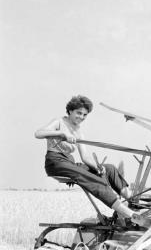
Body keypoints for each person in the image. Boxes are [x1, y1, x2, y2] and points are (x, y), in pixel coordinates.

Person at [35, 95, 143, 224]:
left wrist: (98, 167)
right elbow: (38, 133)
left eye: (84, 115)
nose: (81, 117)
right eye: (78, 113)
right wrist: (61, 134)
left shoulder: (79, 132)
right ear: (70, 111)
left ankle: (133, 201)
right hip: (55, 163)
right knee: (88, 176)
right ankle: (128, 213)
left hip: (70, 163)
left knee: (108, 168)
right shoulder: (58, 122)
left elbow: (85, 157)